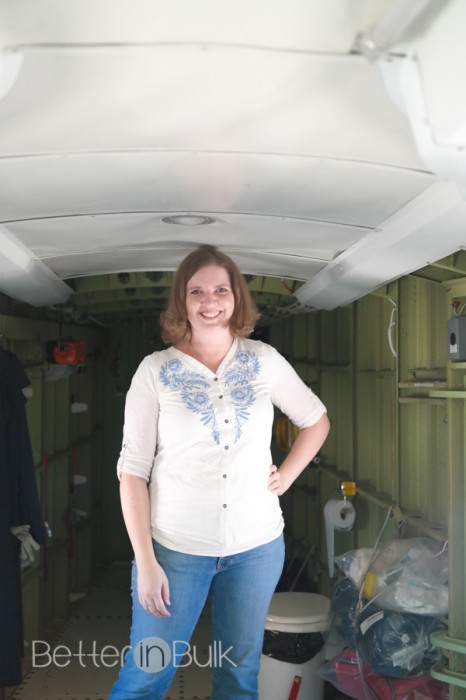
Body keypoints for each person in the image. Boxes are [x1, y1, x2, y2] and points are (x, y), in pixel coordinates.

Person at [109, 245, 330, 699]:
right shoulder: (155, 371)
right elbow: (132, 471)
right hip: (174, 551)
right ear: (182, 300)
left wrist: (285, 477)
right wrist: (146, 563)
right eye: (197, 291)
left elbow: (316, 420)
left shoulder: (263, 360)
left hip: (256, 548)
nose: (210, 301)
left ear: (236, 297)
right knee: (146, 675)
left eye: (220, 290)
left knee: (238, 676)